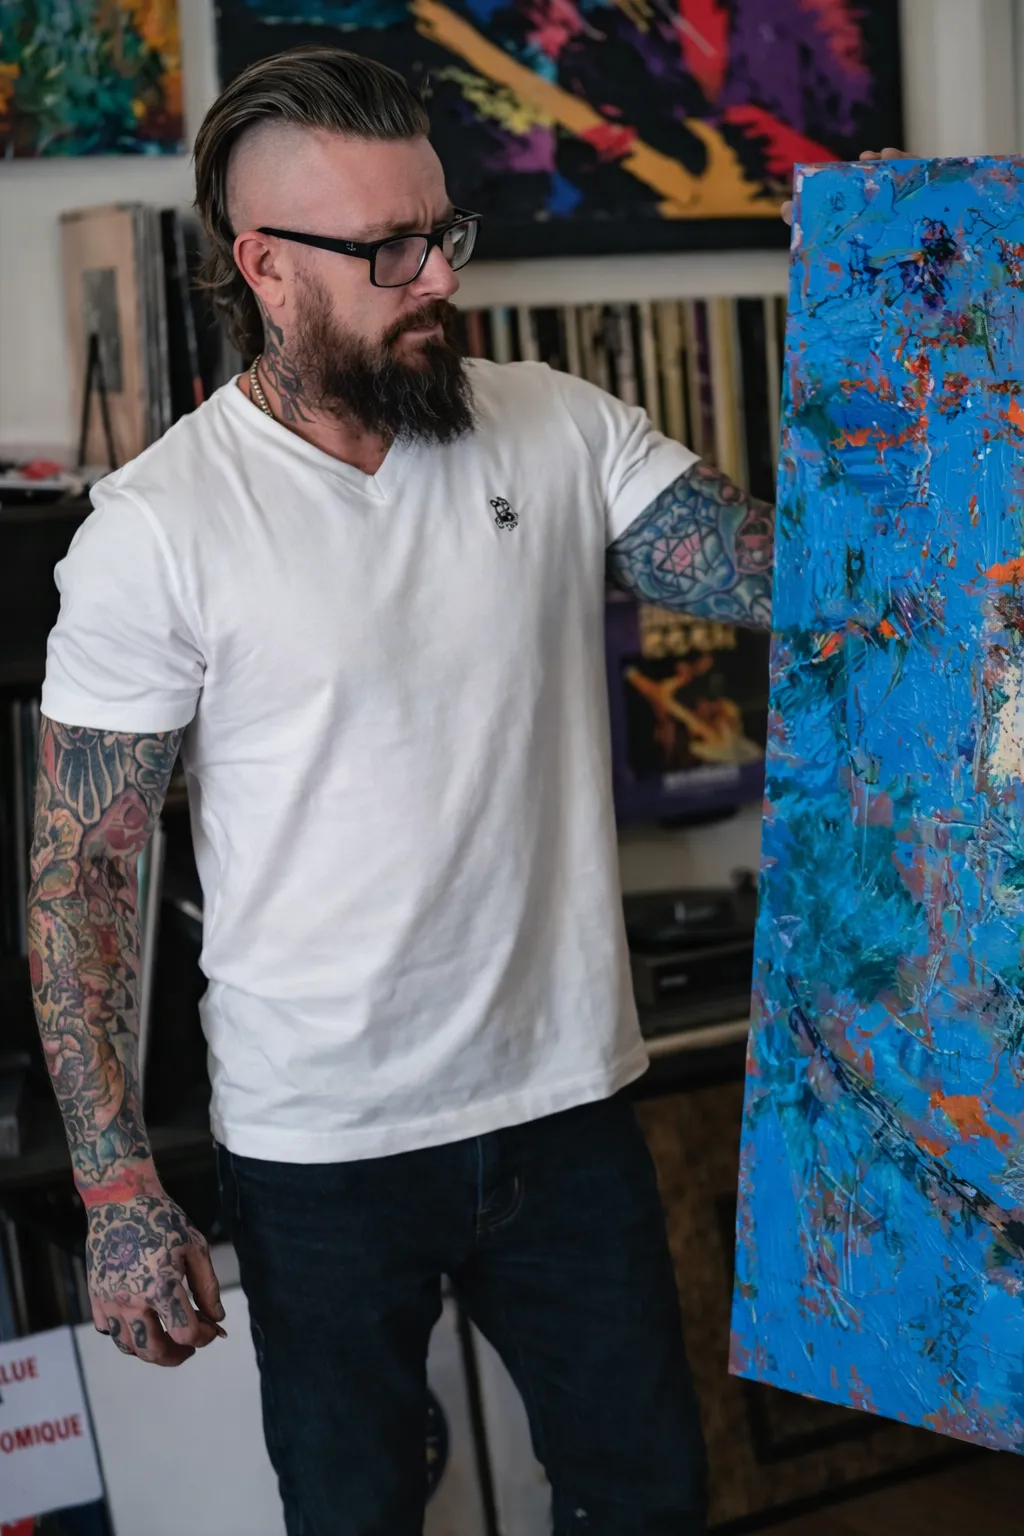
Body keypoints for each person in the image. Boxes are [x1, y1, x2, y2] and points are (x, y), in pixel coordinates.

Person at [25, 39, 893, 1530]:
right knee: (356, 1511)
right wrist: (115, 1191)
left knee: (645, 1498)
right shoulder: (157, 530)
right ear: (267, 268)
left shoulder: (554, 427)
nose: (438, 278)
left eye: (444, 234)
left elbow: (802, 578)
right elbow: (82, 875)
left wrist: (909, 320)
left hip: (564, 1107)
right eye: (390, 251)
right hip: (321, 1149)